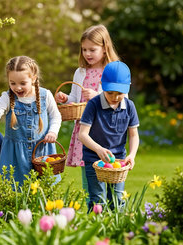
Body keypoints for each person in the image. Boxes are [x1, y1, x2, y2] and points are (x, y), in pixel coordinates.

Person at [0, 56, 62, 185]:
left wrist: (53, 132)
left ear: (33, 79)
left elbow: (56, 116)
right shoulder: (7, 98)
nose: (17, 88)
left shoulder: (45, 95)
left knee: (44, 188)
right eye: (12, 83)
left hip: (42, 151)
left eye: (22, 83)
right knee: (16, 188)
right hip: (15, 154)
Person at [55, 24, 120, 198]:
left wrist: (98, 95)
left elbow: (122, 99)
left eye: (92, 49)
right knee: (89, 178)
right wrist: (65, 99)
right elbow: (76, 100)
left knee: (110, 172)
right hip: (86, 129)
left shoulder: (113, 71)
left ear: (105, 49)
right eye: (84, 49)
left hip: (106, 128)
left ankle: (113, 211)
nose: (87, 54)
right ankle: (95, 210)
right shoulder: (81, 72)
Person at [78, 61, 139, 211]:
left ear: (128, 87)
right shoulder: (93, 104)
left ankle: (115, 232)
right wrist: (99, 150)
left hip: (118, 160)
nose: (115, 97)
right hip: (94, 160)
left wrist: (131, 155)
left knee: (117, 200)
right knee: (97, 200)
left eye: (119, 93)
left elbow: (133, 135)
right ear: (102, 84)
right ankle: (97, 231)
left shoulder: (129, 106)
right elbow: (82, 135)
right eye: (110, 92)